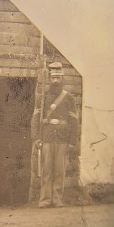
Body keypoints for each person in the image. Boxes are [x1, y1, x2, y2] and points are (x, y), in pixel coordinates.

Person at [31, 62, 79, 208]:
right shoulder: (43, 98)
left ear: (62, 78)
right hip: (47, 138)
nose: (56, 80)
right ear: (50, 79)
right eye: (53, 78)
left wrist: (72, 142)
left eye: (58, 78)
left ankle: (57, 199)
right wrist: (36, 138)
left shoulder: (69, 98)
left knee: (59, 171)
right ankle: (45, 200)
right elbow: (35, 119)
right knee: (46, 170)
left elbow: (74, 121)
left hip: (62, 139)